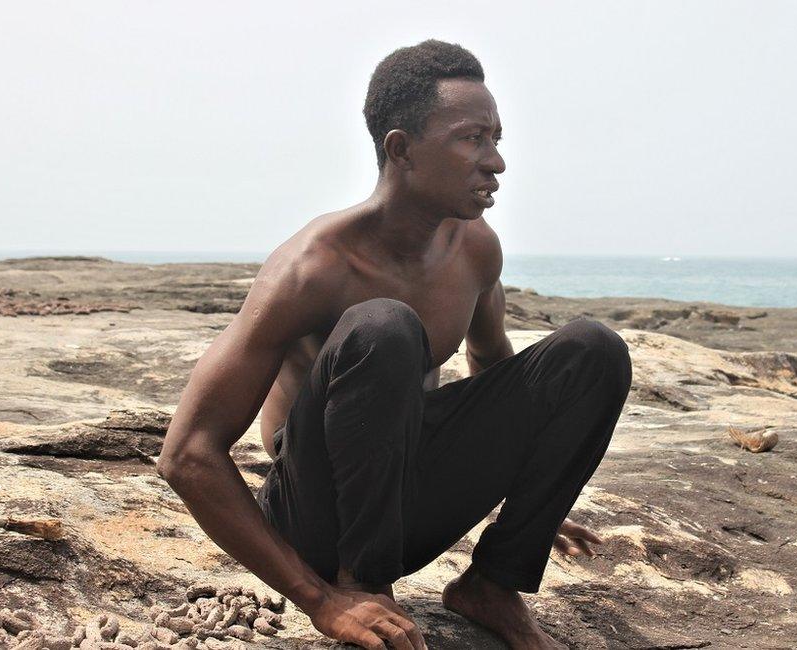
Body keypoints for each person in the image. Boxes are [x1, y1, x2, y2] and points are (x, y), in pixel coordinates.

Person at [158, 39, 632, 650]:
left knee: (593, 350)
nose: (496, 162)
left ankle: (491, 585)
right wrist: (321, 600)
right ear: (400, 148)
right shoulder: (314, 267)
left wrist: (534, 495)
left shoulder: (475, 248)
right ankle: (364, 584)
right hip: (318, 523)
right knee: (384, 326)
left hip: (411, 501)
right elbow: (187, 453)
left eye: (497, 138)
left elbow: (495, 366)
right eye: (472, 139)